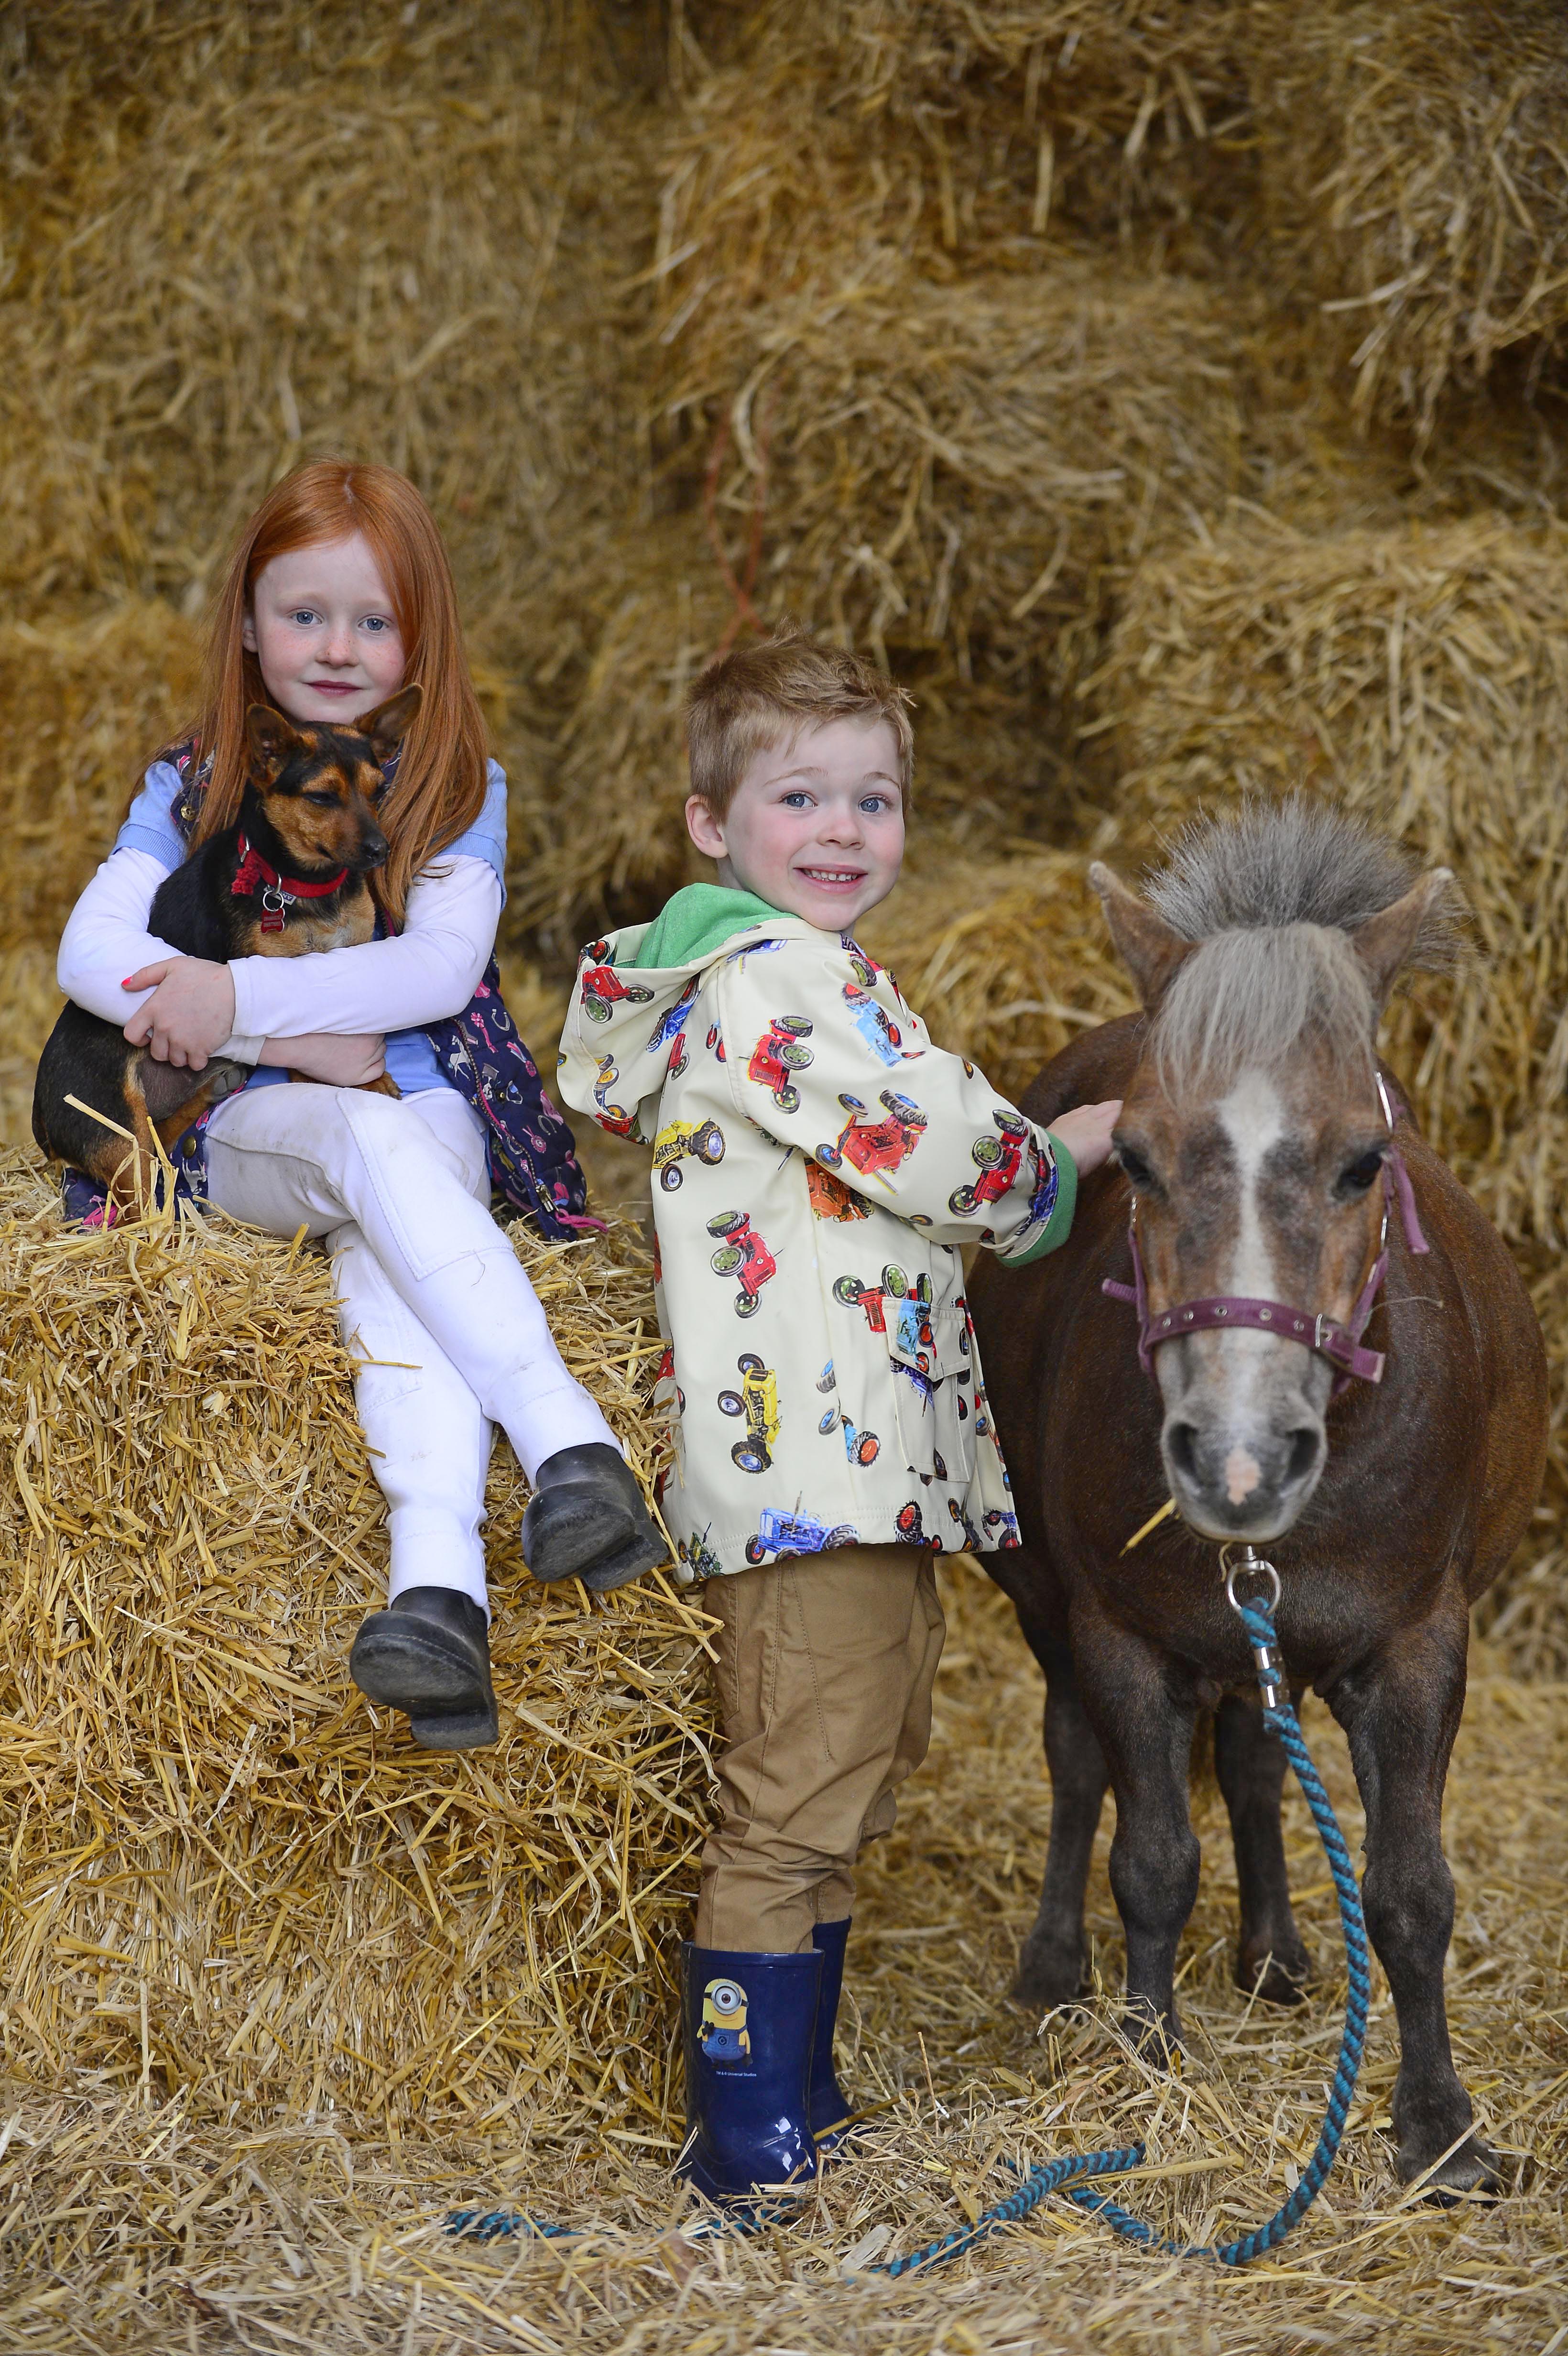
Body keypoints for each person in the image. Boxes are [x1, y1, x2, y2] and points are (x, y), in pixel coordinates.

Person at [556, 622, 1120, 2200]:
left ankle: (801, 2088)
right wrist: (1067, 1150)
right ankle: (750, 2143)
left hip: (849, 1466)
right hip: (817, 1472)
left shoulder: (791, 979)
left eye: (872, 801)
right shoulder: (780, 981)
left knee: (848, 1770)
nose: (841, 832)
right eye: (799, 798)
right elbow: (940, 1148)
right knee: (794, 1800)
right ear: (710, 827)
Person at [54, 459, 665, 1750]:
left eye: (375, 621)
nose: (338, 648)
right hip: (244, 1127)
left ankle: (438, 1594)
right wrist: (258, 1020)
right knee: (369, 1138)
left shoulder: (458, 790)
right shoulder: (192, 781)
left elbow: (434, 970)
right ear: (246, 623)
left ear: (422, 639)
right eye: (306, 614)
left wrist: (233, 997)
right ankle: (571, 1448)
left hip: (429, 1104)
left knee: (392, 1215)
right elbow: (84, 953)